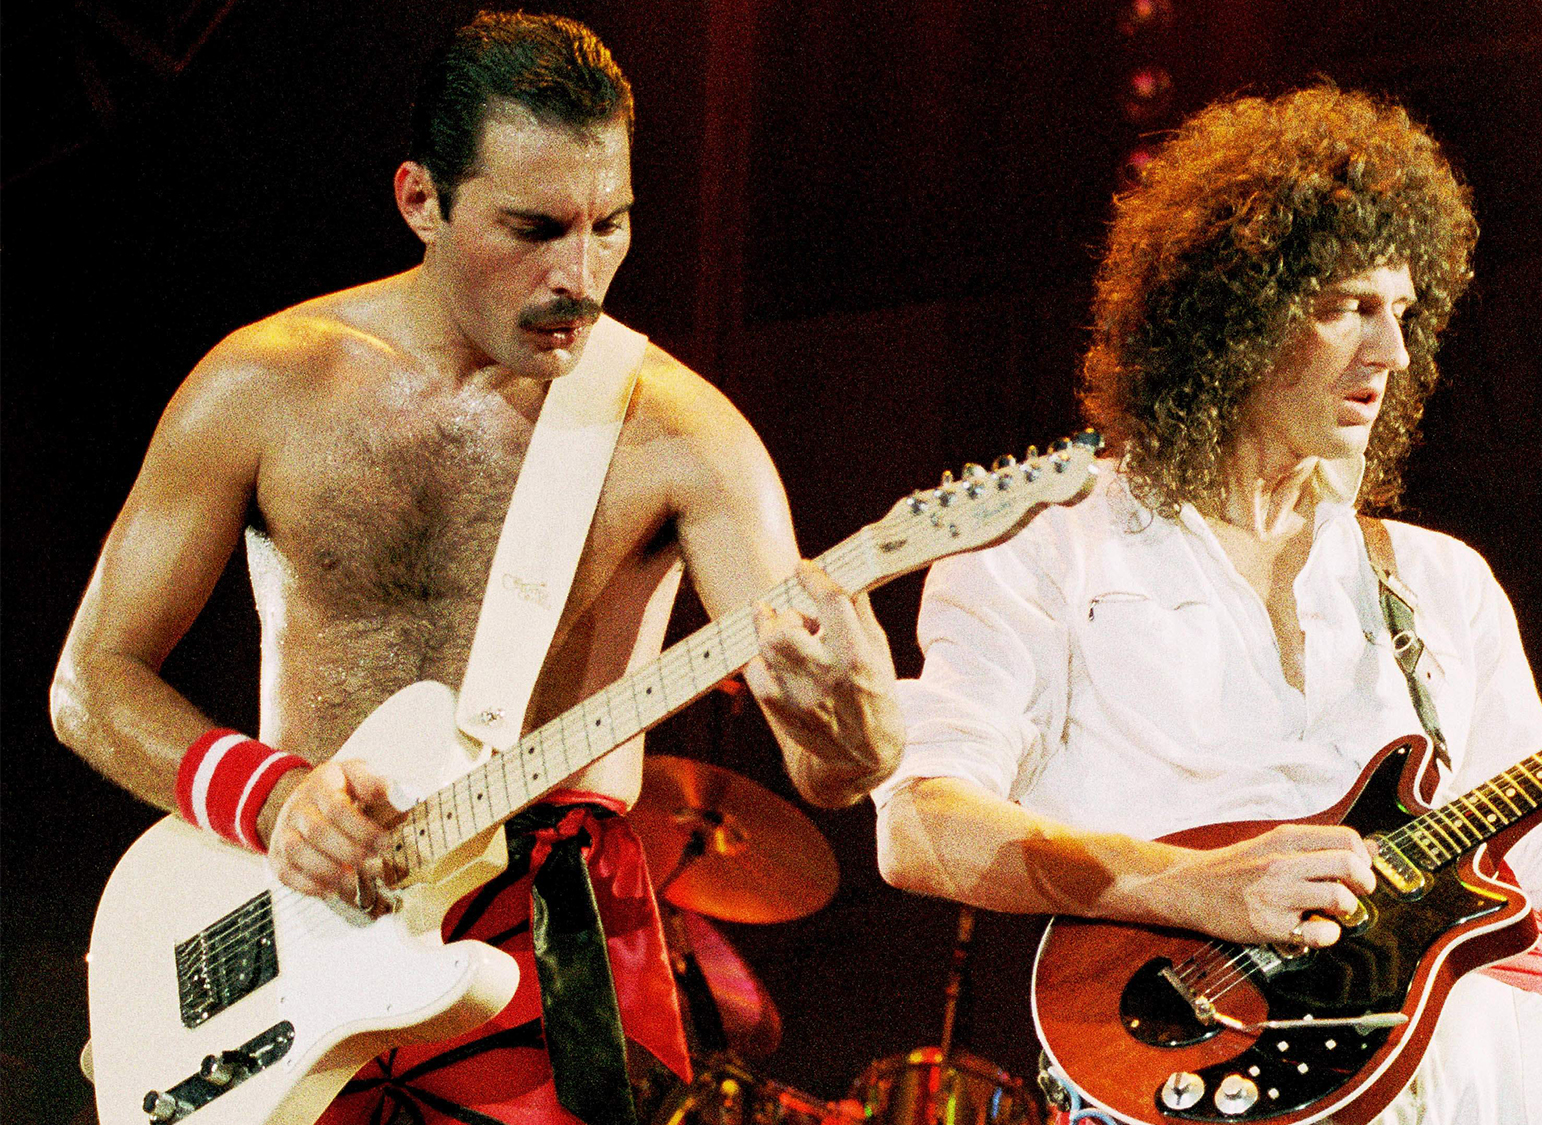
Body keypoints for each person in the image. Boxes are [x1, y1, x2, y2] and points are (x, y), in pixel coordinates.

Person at [873, 85, 1542, 1123]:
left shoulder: (1438, 578)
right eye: (1347, 307)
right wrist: (1187, 886)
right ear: (1226, 315)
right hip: (1208, 1079)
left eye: (1402, 311)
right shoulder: (1047, 549)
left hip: (1502, 1089)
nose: (1391, 353)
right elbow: (920, 825)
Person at [50, 12, 903, 1125]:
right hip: (294, 920)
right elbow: (92, 681)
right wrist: (274, 798)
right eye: (534, 228)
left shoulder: (687, 437)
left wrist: (855, 724)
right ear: (420, 199)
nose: (579, 274)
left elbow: (830, 770)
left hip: (546, 941)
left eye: (610, 224)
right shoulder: (263, 385)